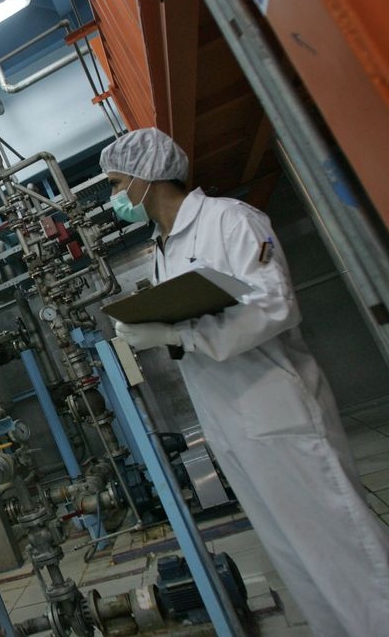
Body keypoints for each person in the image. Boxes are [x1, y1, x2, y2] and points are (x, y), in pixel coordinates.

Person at [101, 127, 389, 636]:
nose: (115, 197)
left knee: (342, 546)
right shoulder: (163, 247)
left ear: (148, 176)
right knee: (295, 557)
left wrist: (178, 333)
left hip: (276, 413)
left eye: (117, 182)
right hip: (229, 423)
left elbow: (275, 305)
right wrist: (160, 330)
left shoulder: (230, 220)